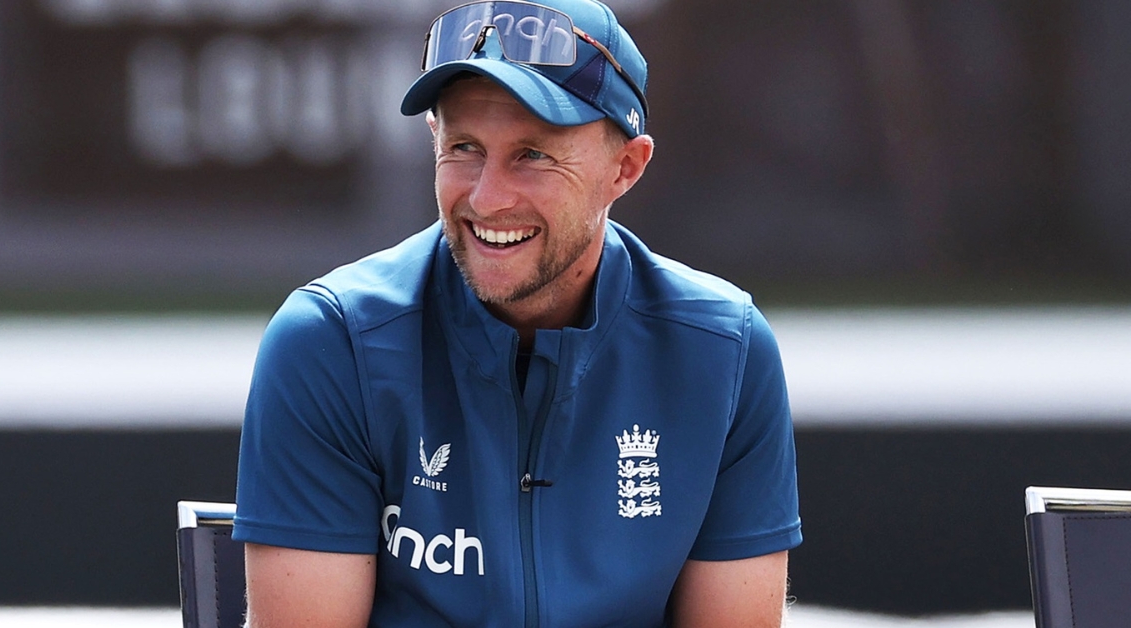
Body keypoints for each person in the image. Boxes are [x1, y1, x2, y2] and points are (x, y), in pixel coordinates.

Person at [232, 0, 802, 625]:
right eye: (464, 147)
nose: (487, 198)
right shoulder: (331, 342)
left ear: (625, 168)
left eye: (533, 154)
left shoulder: (723, 351)